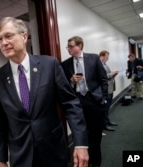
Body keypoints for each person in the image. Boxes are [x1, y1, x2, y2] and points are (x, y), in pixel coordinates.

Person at [0, 17, 89, 167]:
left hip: (53, 150)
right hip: (21, 155)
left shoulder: (49, 65)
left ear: (23, 36)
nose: (3, 43)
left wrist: (80, 144)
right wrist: (1, 159)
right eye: (0, 39)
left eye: (8, 36)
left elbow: (70, 104)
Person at [61, 36, 108, 167]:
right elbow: (63, 87)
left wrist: (103, 98)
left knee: (96, 134)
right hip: (77, 103)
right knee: (82, 134)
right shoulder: (65, 64)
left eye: (71, 46)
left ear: (80, 46)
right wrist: (71, 81)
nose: (68, 49)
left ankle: (96, 161)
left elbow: (103, 80)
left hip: (94, 101)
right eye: (68, 47)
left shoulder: (93, 58)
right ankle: (85, 160)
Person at [99, 50, 118, 132]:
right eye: (107, 56)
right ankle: (104, 125)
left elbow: (108, 74)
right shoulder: (99, 65)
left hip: (110, 89)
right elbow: (102, 77)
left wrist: (113, 74)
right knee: (105, 108)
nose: (108, 58)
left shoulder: (105, 65)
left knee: (108, 107)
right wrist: (112, 74)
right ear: (102, 56)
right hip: (105, 90)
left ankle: (107, 121)